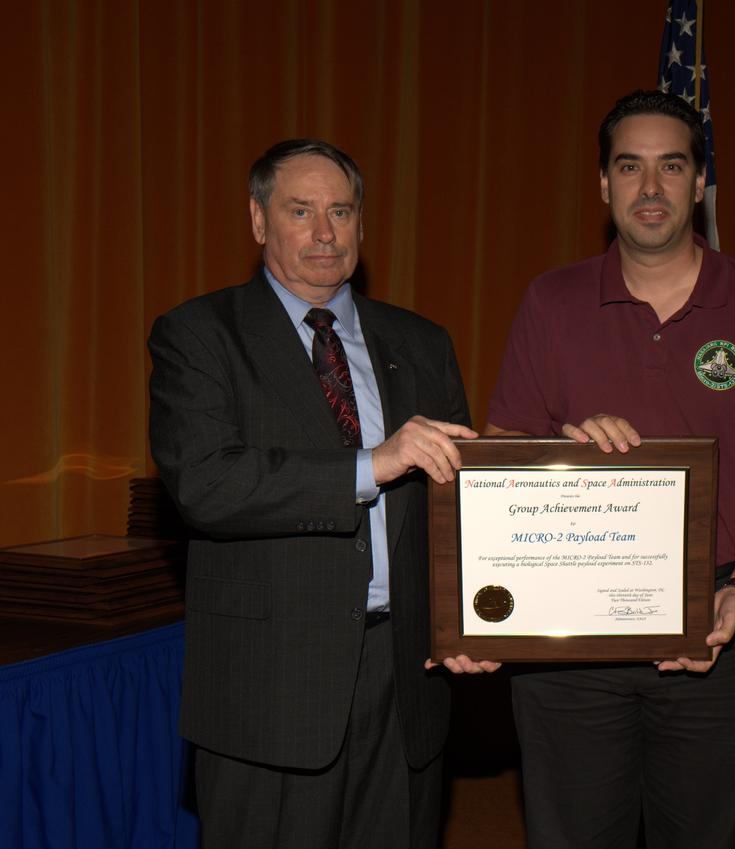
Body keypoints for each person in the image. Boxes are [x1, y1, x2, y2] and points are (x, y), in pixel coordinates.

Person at [485, 90, 735, 849]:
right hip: (569, 638)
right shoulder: (550, 301)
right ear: (602, 184)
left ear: (701, 182)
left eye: (671, 167)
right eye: (630, 167)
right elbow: (500, 450)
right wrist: (565, 457)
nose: (650, 189)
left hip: (717, 628)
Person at [148, 138, 496, 849]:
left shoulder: (422, 340)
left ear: (362, 224)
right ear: (257, 220)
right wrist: (372, 463)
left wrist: (472, 621)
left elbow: (455, 508)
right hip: (269, 694)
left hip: (405, 685)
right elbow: (207, 483)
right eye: (300, 211)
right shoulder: (198, 334)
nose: (325, 232)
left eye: (341, 211)